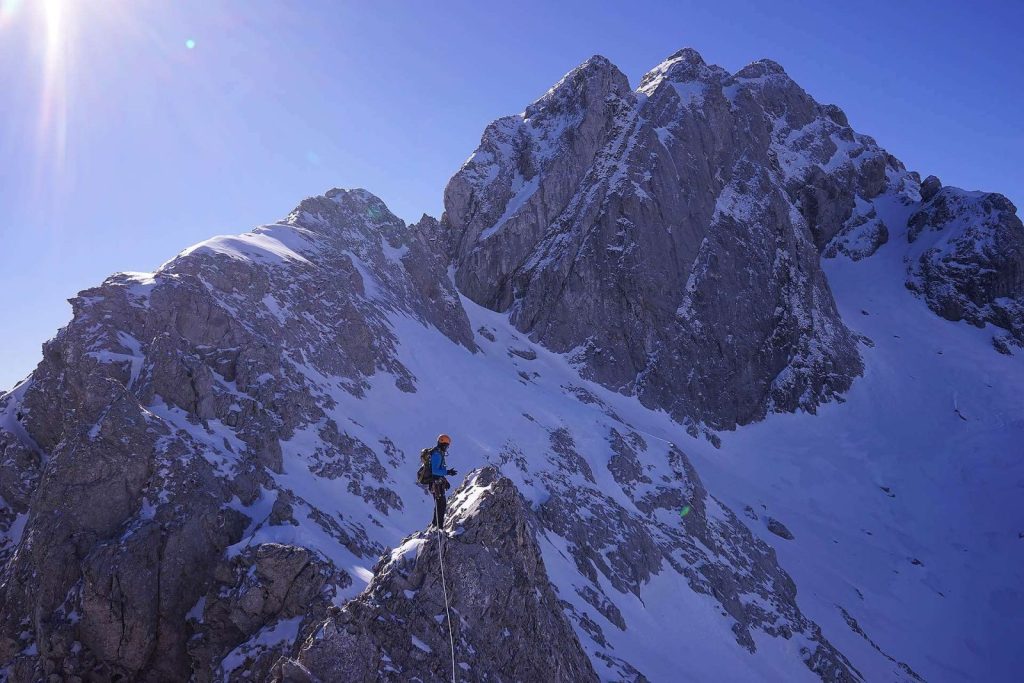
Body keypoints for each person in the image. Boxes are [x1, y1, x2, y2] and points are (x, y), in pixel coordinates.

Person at [427, 433, 457, 528]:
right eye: (446, 446)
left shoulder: (438, 453)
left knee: (440, 504)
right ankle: (438, 527)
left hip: (437, 482)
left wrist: (445, 479)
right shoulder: (437, 454)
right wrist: (447, 472)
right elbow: (435, 470)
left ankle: (436, 525)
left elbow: (437, 470)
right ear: (443, 444)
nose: (447, 448)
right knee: (440, 504)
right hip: (435, 483)